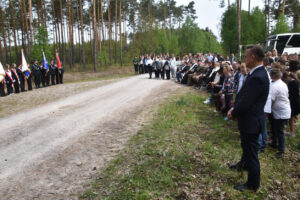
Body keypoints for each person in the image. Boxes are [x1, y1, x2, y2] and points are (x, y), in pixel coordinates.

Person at [227, 45, 269, 192]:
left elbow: (246, 102)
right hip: (249, 119)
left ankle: (252, 185)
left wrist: (234, 112)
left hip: (251, 120)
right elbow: (243, 96)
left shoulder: (258, 77)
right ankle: (242, 165)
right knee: (246, 147)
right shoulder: (256, 73)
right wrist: (235, 109)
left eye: (246, 56)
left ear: (253, 57)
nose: (244, 59)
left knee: (251, 153)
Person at [270, 69, 291, 158]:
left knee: (280, 131)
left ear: (271, 76)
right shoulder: (282, 84)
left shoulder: (275, 86)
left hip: (281, 111)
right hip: (282, 110)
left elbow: (272, 101)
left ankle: (281, 149)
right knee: (274, 128)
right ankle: (275, 143)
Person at [283, 72, 299, 137]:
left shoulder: (292, 83)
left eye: (285, 79)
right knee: (290, 117)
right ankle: (291, 131)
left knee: (291, 117)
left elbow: (290, 93)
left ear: (288, 77)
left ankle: (292, 132)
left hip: (293, 103)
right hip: (294, 102)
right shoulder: (294, 82)